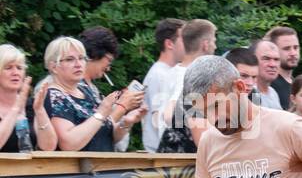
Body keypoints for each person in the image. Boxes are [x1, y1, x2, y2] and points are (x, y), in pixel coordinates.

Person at [42, 36, 144, 152]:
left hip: (102, 166)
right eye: (70, 59)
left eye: (81, 58)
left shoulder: (86, 90)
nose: (78, 64)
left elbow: (107, 135)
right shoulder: (54, 96)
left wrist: (126, 122)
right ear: (53, 67)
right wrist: (101, 113)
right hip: (78, 169)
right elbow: (69, 143)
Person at [158, 18, 218, 153]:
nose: (216, 46)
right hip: (181, 154)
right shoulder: (193, 78)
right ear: (205, 44)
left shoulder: (168, 74)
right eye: (214, 41)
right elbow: (169, 116)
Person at [0, 44, 55, 152]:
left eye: (19, 68)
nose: (15, 73)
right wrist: (16, 108)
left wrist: (39, 110)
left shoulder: (31, 105)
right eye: (8, 68)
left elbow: (49, 147)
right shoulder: (19, 105)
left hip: (30, 168)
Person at [143, 18, 185, 152]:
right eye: (184, 40)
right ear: (169, 44)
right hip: (161, 155)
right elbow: (160, 121)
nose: (189, 44)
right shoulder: (159, 75)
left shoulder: (169, 72)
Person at [265, 26, 300, 108]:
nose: (293, 53)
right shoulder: (268, 84)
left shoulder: (297, 84)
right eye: (287, 48)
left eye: (296, 47)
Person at [250, 40, 283, 110]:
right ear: (252, 60)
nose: (273, 65)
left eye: (276, 59)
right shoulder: (252, 92)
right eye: (266, 59)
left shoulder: (273, 93)